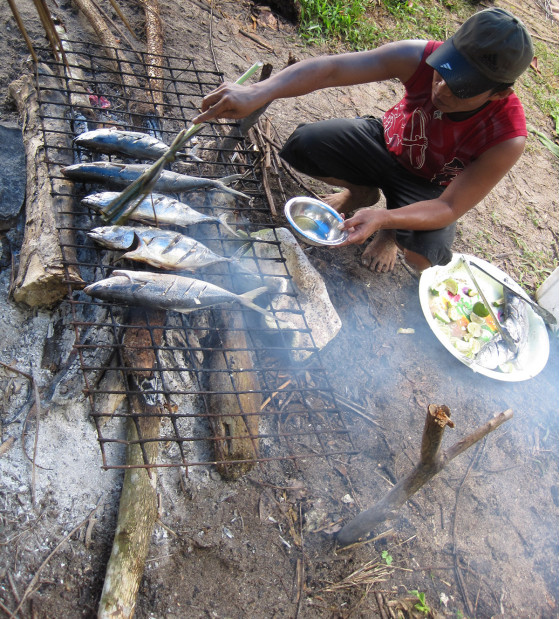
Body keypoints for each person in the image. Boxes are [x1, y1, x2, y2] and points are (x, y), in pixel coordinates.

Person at [192, 8, 534, 273]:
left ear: (498, 93)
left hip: (428, 185)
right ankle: (360, 193)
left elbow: (448, 207)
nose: (441, 90)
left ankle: (391, 230)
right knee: (304, 144)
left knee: (426, 257)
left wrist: (384, 220)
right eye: (445, 71)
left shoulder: (506, 137)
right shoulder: (419, 57)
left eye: (462, 88)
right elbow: (331, 69)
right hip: (385, 142)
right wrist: (258, 91)